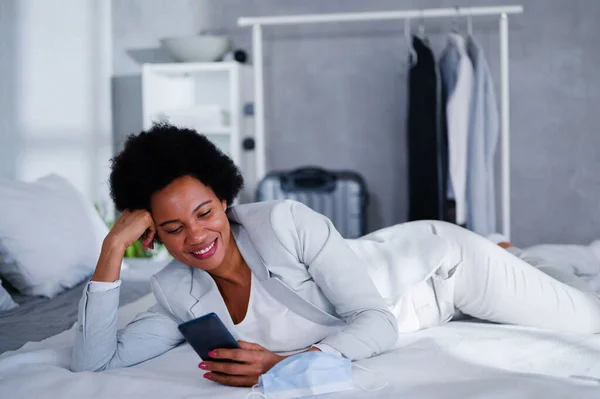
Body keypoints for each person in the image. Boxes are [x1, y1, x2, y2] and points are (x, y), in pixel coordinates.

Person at [71, 123, 600, 387]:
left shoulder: (282, 223)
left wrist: (284, 366)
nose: (198, 236)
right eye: (173, 228)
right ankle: (520, 257)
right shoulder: (174, 292)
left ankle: (513, 258)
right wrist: (112, 247)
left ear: (225, 196)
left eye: (205, 212)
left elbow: (376, 322)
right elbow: (93, 362)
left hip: (447, 270)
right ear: (154, 235)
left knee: (588, 316)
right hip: (418, 292)